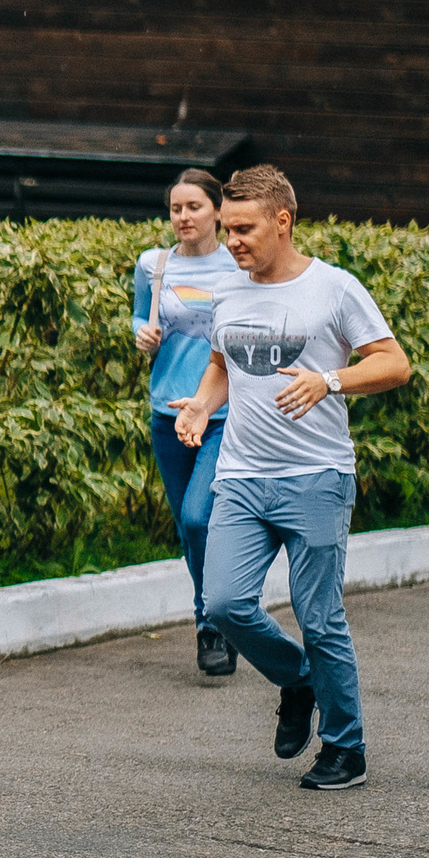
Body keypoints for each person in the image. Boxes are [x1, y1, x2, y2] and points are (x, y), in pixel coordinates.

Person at [174, 164, 409, 791]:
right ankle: (298, 678)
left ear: (283, 220)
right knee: (223, 603)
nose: (232, 242)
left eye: (244, 229)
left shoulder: (333, 289)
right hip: (243, 476)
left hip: (316, 477)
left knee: (320, 615)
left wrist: (329, 379)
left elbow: (393, 362)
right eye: (227, 230)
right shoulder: (229, 290)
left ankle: (345, 747)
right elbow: (224, 360)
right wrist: (202, 402)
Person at [131, 168, 249, 676]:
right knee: (187, 526)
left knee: (202, 517)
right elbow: (139, 316)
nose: (183, 216)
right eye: (176, 208)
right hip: (167, 411)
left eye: (194, 207)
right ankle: (216, 620)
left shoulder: (237, 269)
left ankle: (215, 623)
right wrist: (142, 334)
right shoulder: (153, 265)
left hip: (223, 413)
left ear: (217, 211)